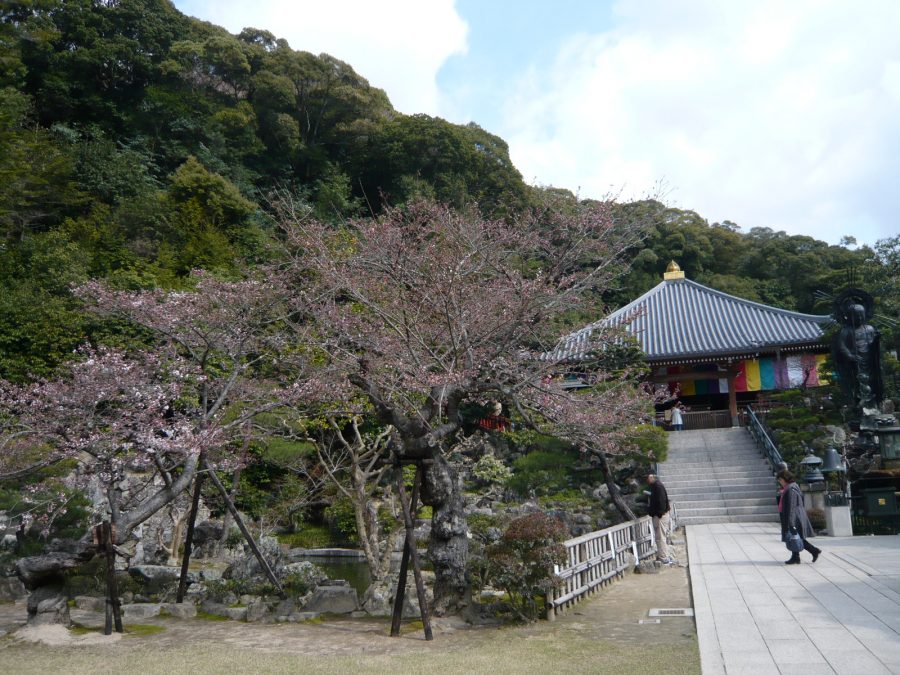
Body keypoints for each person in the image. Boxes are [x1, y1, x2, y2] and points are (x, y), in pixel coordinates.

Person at [777, 469, 821, 565]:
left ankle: (813, 551)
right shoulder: (790, 487)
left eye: (780, 480)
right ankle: (796, 557)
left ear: (785, 479)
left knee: (796, 537)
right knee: (794, 537)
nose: (780, 482)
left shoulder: (791, 488)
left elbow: (792, 506)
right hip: (794, 515)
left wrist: (791, 522)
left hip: (794, 516)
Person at [647, 473, 673, 563]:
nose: (647, 480)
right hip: (660, 515)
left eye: (648, 478)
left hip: (660, 516)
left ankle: (663, 557)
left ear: (652, 477)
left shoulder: (658, 486)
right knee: (660, 536)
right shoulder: (657, 486)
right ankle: (662, 555)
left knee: (660, 537)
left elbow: (661, 501)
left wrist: (659, 514)